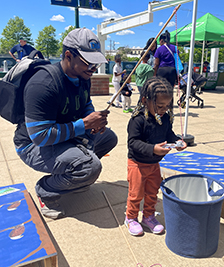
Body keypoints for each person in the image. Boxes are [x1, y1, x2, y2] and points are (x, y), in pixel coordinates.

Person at [13, 28, 118, 219]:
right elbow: (40, 136)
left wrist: (92, 118)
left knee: (108, 137)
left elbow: (85, 102)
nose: (94, 69)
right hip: (31, 145)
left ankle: (74, 175)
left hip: (62, 135)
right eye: (89, 62)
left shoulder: (83, 76)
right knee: (90, 167)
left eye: (96, 64)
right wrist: (84, 124)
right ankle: (46, 190)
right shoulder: (43, 84)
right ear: (68, 55)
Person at [124, 76, 187, 236]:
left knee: (152, 192)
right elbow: (133, 143)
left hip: (154, 164)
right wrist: (153, 148)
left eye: (167, 106)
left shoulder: (165, 118)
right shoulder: (137, 120)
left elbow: (168, 133)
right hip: (137, 164)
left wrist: (177, 141)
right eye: (160, 106)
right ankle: (130, 218)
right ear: (145, 100)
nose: (164, 109)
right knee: (136, 193)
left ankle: (148, 216)